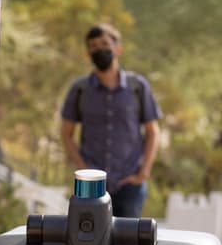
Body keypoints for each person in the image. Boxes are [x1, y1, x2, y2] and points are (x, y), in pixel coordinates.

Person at [59, 23, 162, 217]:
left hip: (129, 184)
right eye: (93, 46)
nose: (99, 49)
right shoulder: (80, 89)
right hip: (91, 186)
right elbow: (66, 134)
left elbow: (152, 131)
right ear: (88, 53)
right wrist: (83, 168)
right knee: (90, 241)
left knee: (128, 243)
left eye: (104, 43)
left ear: (118, 48)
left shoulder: (137, 87)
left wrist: (143, 173)